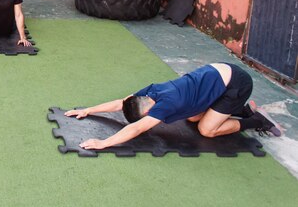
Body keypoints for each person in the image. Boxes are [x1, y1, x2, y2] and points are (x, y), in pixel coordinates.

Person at [65, 63, 282, 150]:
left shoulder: (166, 105)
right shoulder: (149, 93)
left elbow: (137, 128)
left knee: (207, 130)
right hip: (219, 71)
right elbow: (120, 103)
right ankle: (239, 110)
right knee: (194, 118)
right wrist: (88, 109)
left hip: (237, 83)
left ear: (147, 111)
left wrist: (104, 143)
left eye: (147, 117)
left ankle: (255, 119)